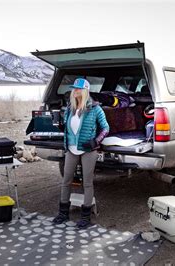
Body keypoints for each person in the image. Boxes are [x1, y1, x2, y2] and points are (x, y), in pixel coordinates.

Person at [52, 77, 109, 229]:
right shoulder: (70, 108)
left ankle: (85, 217)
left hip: (88, 150)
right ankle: (63, 213)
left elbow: (105, 128)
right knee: (66, 181)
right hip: (71, 149)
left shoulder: (95, 109)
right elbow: (69, 129)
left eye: (77, 89)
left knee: (87, 183)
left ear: (85, 91)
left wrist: (96, 141)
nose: (74, 91)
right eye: (74, 88)